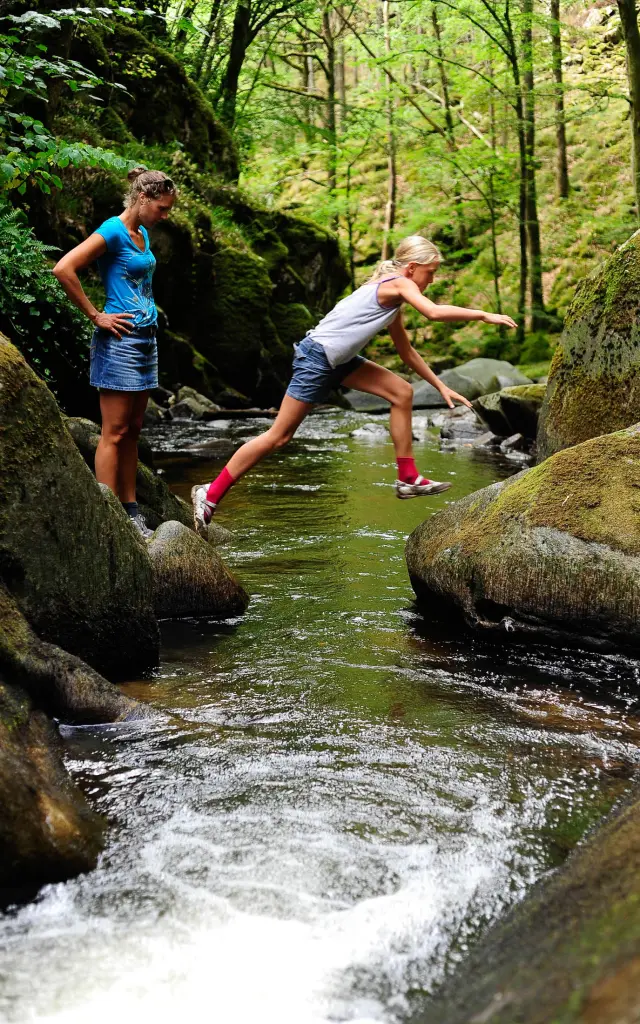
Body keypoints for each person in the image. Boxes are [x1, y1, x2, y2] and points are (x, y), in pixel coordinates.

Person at [192, 234, 517, 536]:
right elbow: (432, 313)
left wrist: (439, 385)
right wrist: (482, 315)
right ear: (412, 268)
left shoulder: (394, 300)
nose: (432, 279)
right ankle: (211, 492)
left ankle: (407, 478)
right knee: (279, 436)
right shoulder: (396, 284)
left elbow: (406, 352)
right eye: (430, 272)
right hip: (316, 358)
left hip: (339, 361)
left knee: (402, 392)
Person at [53, 167, 177, 538]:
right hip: (119, 343)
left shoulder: (141, 235)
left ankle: (131, 512)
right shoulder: (113, 230)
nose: (165, 216)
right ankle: (109, 519)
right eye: (162, 208)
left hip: (145, 341)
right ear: (142, 199)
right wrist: (97, 316)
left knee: (134, 430)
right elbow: (64, 268)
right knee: (114, 432)